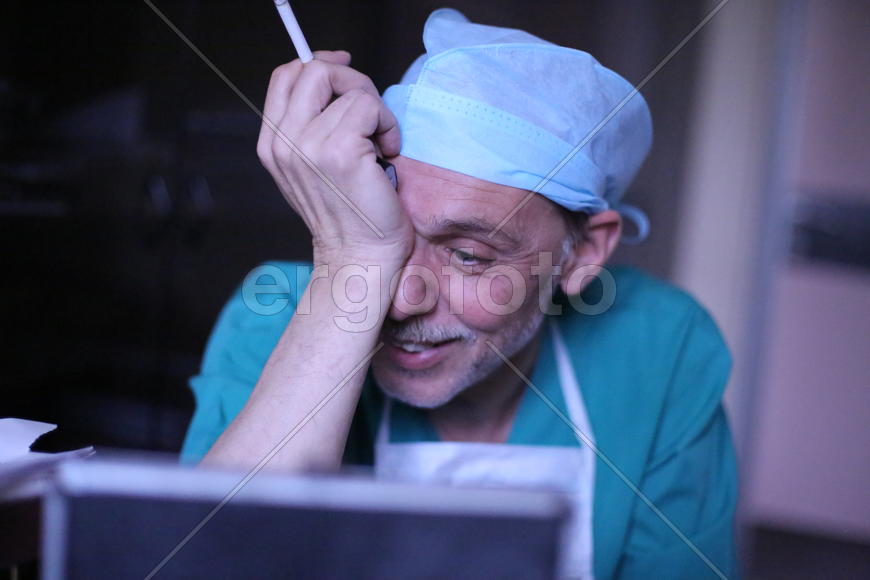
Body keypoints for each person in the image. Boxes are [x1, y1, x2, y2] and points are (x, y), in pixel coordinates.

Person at [180, 9, 738, 580]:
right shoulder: (279, 318)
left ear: (582, 254)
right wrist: (352, 265)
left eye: (468, 255)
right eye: (383, 231)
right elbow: (208, 563)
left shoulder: (661, 347)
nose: (401, 301)